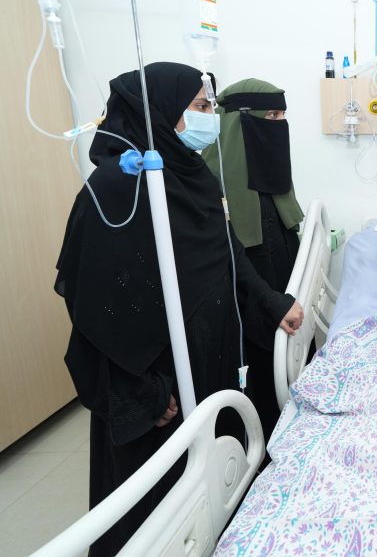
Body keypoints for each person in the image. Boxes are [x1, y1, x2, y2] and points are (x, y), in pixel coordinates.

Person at [56, 63, 303, 556]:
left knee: (209, 483)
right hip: (158, 382)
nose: (211, 116)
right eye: (200, 106)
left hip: (205, 361)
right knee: (157, 507)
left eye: (211, 106)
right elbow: (95, 308)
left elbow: (227, 253)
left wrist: (271, 302)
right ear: (159, 113)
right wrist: (141, 390)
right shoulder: (116, 190)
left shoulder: (193, 176)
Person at [202, 78, 304, 453]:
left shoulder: (270, 172)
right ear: (241, 120)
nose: (279, 124)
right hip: (249, 303)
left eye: (282, 116)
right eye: (271, 115)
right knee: (260, 382)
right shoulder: (211, 182)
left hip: (282, 300)